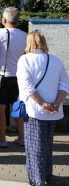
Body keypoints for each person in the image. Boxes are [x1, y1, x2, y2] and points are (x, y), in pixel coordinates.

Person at [17, 31, 69, 186]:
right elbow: (64, 86)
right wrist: (56, 103)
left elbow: (28, 87)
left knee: (34, 147)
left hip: (34, 110)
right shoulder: (56, 60)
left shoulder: (25, 60)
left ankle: (37, 180)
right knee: (47, 146)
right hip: (54, 110)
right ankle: (47, 175)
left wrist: (42, 104)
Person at [0, 7, 28, 148]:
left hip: (0, 75)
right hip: (18, 76)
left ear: (4, 20)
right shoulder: (24, 35)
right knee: (17, 105)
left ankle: (2, 139)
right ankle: (22, 138)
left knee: (0, 107)